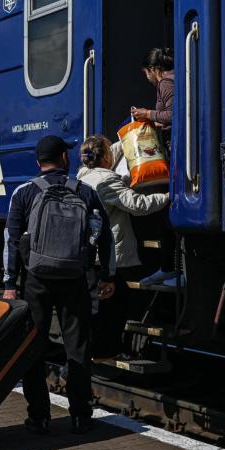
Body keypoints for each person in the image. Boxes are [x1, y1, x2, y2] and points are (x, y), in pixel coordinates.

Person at [3, 135, 116, 435]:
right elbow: (105, 238)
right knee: (77, 347)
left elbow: (12, 242)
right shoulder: (86, 192)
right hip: (75, 278)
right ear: (65, 160)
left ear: (38, 162)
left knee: (33, 348)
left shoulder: (24, 193)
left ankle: (39, 417)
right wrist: (107, 276)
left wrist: (9, 283)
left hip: (36, 281)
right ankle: (80, 415)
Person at [76, 135, 170, 357]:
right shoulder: (108, 180)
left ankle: (94, 349)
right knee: (114, 306)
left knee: (99, 306)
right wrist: (167, 197)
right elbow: (138, 205)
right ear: (106, 157)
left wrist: (131, 132)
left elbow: (109, 151)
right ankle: (104, 351)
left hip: (89, 253)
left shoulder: (83, 176)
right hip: (109, 256)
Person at [130, 47, 174, 134]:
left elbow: (173, 115)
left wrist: (147, 113)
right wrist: (156, 120)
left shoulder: (166, 83)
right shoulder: (172, 78)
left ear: (152, 69)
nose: (147, 78)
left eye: (146, 73)